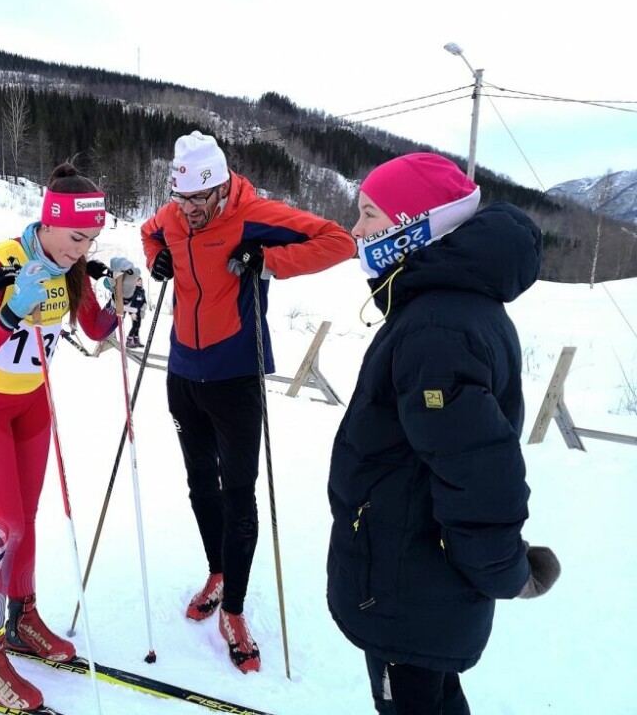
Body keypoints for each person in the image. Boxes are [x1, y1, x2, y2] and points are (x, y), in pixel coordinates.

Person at [326, 153, 562, 715]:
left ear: (416, 224)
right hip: (413, 577)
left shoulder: (437, 327)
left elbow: (480, 474)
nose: (357, 231)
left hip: (408, 586)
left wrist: (509, 571)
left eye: (368, 215)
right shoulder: (441, 307)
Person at [140, 130, 355, 673]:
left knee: (239, 495)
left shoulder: (253, 212)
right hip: (183, 372)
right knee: (199, 483)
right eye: (179, 200)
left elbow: (338, 241)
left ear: (218, 188)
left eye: (196, 202)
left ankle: (233, 609)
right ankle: (217, 572)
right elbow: (150, 233)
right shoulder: (171, 217)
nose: (186, 212)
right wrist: (157, 259)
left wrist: (268, 260)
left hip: (236, 377)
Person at [0, 162, 138, 710]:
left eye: (92, 240)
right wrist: (11, 309)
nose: (82, 250)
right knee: (4, 526)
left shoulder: (73, 268)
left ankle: (23, 618)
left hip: (33, 406)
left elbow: (94, 329)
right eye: (77, 237)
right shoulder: (2, 262)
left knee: (28, 522)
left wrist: (122, 297)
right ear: (50, 222)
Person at [124, 276, 146, 348]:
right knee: (135, 326)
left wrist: (144, 305)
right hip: (134, 311)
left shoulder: (142, 291)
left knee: (138, 326)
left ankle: (136, 341)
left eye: (140, 281)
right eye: (138, 281)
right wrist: (131, 313)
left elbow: (144, 301)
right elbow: (131, 303)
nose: (140, 282)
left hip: (139, 311)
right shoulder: (133, 291)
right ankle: (129, 341)